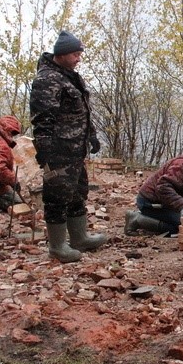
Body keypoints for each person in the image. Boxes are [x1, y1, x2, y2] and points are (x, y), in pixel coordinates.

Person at [29, 30, 108, 263]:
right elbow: (42, 119)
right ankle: (57, 247)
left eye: (79, 54)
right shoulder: (46, 80)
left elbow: (82, 112)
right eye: (75, 54)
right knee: (57, 195)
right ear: (61, 54)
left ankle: (79, 237)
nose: (78, 58)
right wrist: (44, 150)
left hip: (76, 149)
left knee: (77, 192)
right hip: (58, 150)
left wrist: (91, 136)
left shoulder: (71, 76)